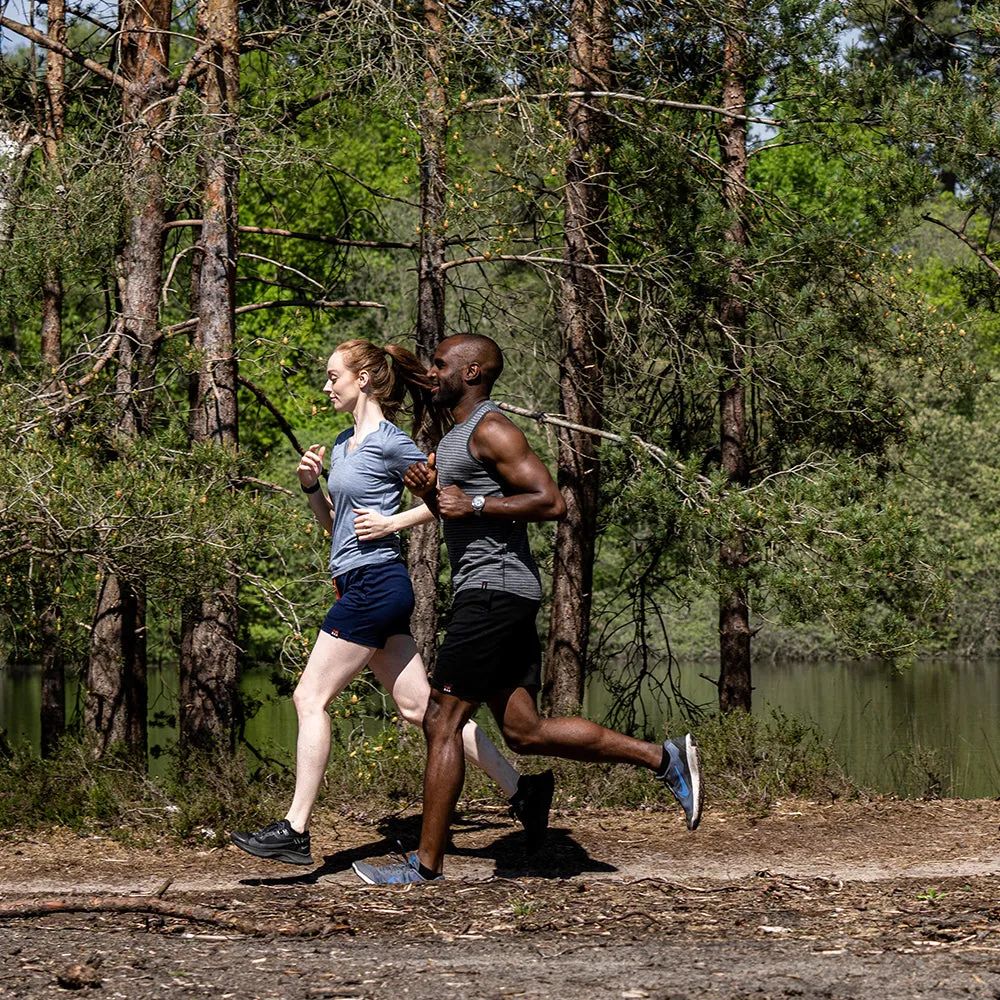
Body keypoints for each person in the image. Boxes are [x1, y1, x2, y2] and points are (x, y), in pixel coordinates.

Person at [352, 334, 702, 885]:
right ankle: (663, 759)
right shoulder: (455, 438)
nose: (433, 372)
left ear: (472, 374)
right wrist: (429, 495)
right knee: (524, 730)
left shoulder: (492, 428)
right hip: (498, 590)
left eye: (442, 364)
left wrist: (473, 502)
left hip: (492, 592)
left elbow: (551, 501)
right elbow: (460, 515)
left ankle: (424, 866)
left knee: (442, 721)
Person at [230, 339, 554, 866]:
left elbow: (445, 498)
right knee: (420, 709)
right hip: (356, 579)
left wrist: (393, 522)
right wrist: (314, 490)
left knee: (309, 699)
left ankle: (295, 829)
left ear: (362, 379)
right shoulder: (340, 445)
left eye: (334, 376)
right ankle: (523, 791)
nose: (327, 385)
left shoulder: (390, 441)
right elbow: (338, 530)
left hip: (377, 583)